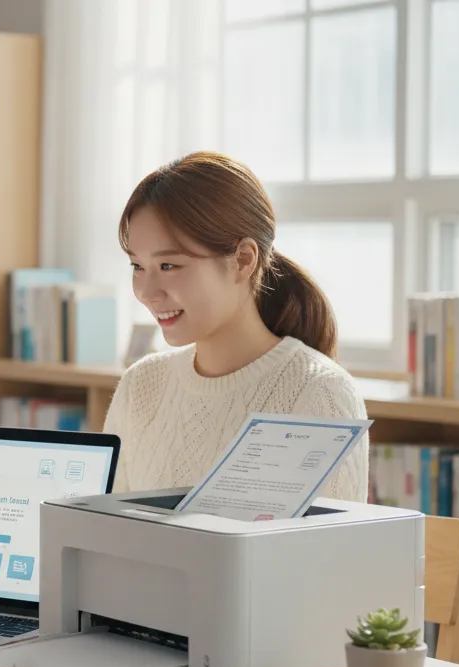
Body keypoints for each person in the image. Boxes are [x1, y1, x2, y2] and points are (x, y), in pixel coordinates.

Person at [102, 151, 368, 501]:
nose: (146, 292)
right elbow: (104, 535)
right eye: (137, 266)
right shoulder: (141, 386)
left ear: (243, 260)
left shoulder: (319, 394)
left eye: (168, 265)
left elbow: (331, 554)